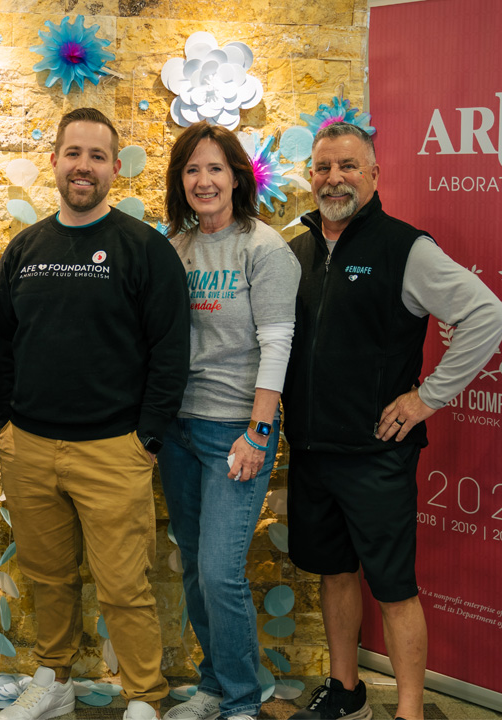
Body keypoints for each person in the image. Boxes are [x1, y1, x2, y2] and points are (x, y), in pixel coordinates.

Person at [282, 122, 502, 720]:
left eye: (349, 166)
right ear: (311, 176)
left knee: (394, 588)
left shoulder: (406, 248)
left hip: (377, 455)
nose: (335, 178)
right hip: (311, 450)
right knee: (334, 574)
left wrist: (426, 398)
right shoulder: (294, 249)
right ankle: (347, 689)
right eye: (324, 167)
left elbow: (488, 315)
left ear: (375, 176)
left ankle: (410, 709)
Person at [0, 107, 191, 720]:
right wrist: (6, 429)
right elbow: (1, 345)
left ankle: (144, 699)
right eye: (73, 153)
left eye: (97, 156)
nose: (84, 166)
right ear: (54, 161)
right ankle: (54, 681)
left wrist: (145, 439)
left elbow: (170, 351)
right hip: (31, 448)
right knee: (46, 577)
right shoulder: (25, 247)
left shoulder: (144, 249)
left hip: (114, 449)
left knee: (125, 587)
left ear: (115, 167)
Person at [157, 122, 300, 720]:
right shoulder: (176, 246)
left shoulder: (263, 248)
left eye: (216, 168)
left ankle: (242, 698)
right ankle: (215, 683)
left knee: (220, 572)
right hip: (180, 430)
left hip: (235, 432)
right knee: (193, 563)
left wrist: (258, 432)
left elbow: (278, 343)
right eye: (193, 170)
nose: (204, 180)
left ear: (237, 176)